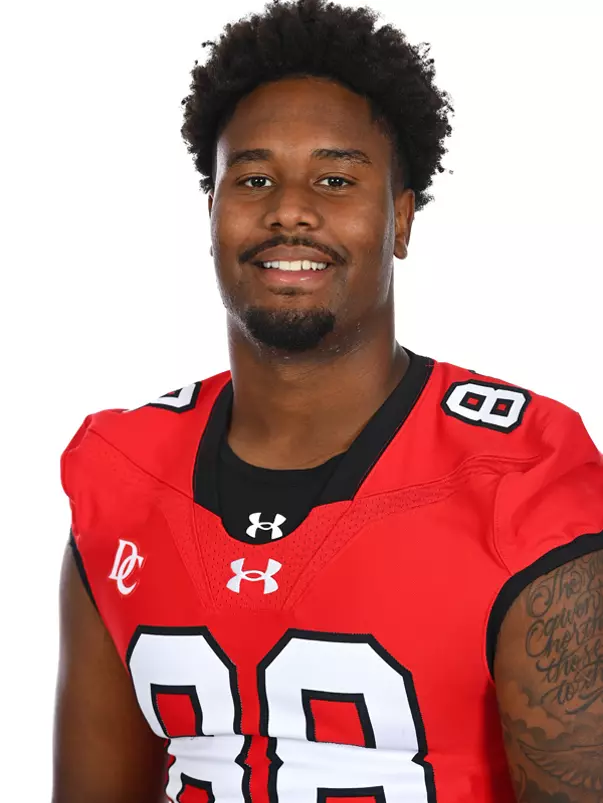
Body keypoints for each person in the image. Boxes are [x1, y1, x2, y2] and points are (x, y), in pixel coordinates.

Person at [53, 0, 603, 801]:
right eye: (253, 177)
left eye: (336, 178)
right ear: (210, 211)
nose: (289, 209)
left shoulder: (522, 475)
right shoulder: (123, 473)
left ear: (400, 220)